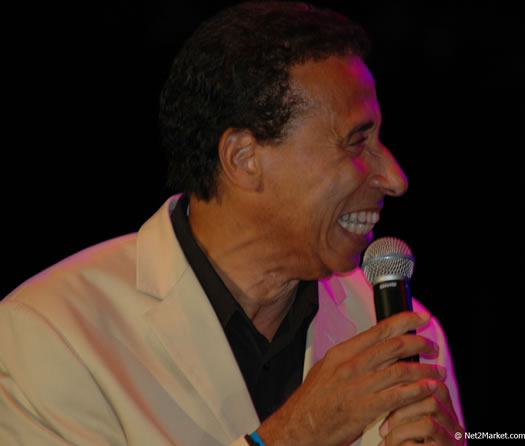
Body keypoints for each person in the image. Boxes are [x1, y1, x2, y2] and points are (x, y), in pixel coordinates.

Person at [0, 2, 465, 445]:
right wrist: (291, 436)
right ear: (243, 158)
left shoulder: (404, 331)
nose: (395, 179)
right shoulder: (53, 332)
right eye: (356, 142)